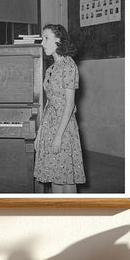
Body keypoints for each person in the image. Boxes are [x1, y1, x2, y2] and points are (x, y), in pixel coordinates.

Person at [34, 24, 86, 193]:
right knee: (54, 175)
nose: (43, 43)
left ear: (59, 39)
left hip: (64, 128)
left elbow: (70, 104)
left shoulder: (69, 66)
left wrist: (58, 136)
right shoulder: (50, 69)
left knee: (67, 179)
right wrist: (40, 132)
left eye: (46, 38)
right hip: (49, 125)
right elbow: (49, 103)